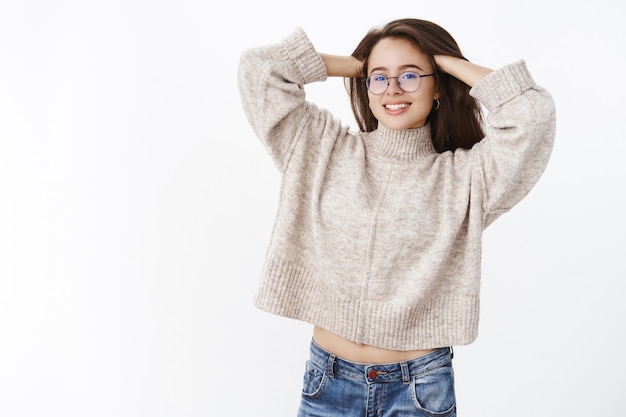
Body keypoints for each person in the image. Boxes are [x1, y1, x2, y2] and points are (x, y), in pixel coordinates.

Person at [237, 18, 555, 417]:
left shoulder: (467, 177)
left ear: (437, 85)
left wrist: (447, 63)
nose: (392, 90)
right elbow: (259, 69)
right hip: (328, 383)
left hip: (419, 389)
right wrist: (357, 65)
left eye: (409, 76)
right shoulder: (322, 149)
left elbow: (533, 113)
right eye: (379, 78)